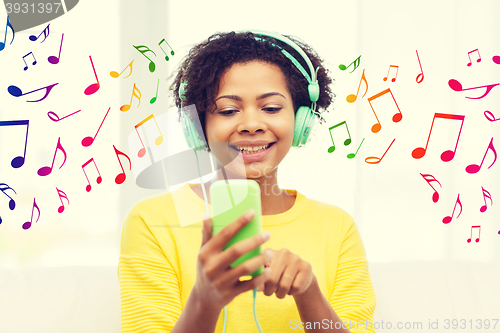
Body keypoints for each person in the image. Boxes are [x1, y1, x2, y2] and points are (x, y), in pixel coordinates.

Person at [119, 31, 376, 333]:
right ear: (198, 127)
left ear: (301, 120)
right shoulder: (153, 221)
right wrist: (205, 300)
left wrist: (309, 294)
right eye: (228, 111)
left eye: (271, 108)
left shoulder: (337, 227)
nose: (252, 125)